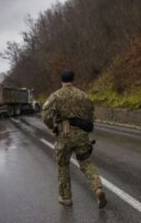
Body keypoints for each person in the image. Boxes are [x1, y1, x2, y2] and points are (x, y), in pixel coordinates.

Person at [42, 69, 107, 208]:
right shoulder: (83, 95)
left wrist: (51, 128)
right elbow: (90, 115)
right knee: (85, 163)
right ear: (73, 79)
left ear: (61, 80)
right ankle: (97, 188)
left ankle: (66, 198)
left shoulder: (56, 96)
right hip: (81, 136)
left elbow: (45, 114)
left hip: (64, 136)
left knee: (63, 165)